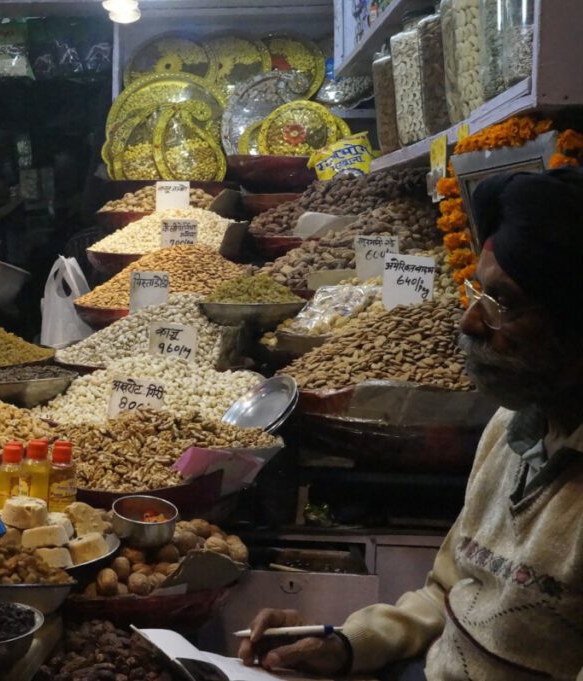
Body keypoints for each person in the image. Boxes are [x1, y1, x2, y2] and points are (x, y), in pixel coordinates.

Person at [238, 167, 583, 680]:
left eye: (504, 304)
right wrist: (347, 643)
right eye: (476, 293)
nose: (468, 322)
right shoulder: (512, 428)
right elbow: (448, 591)